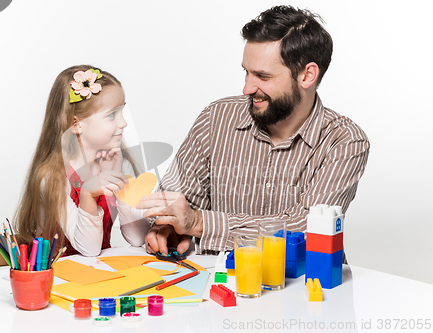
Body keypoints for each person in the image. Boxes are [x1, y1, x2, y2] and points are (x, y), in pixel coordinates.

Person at [137, 6, 370, 259]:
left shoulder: (345, 141)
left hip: (304, 289)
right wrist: (167, 227)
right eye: (246, 71)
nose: (247, 87)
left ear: (307, 75)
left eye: (263, 76)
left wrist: (198, 223)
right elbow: (178, 200)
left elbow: (308, 228)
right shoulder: (216, 119)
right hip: (221, 285)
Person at [15, 65, 149, 256]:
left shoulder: (120, 163)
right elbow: (89, 248)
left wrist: (121, 187)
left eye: (122, 112)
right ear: (77, 124)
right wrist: (87, 194)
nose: (123, 123)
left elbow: (138, 238)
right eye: (112, 115)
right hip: (56, 277)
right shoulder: (53, 176)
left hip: (96, 274)